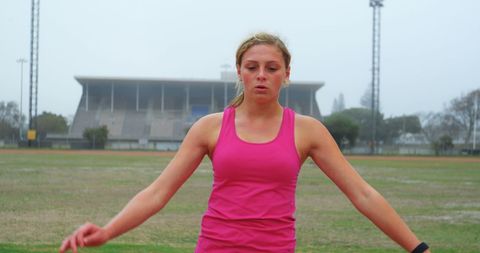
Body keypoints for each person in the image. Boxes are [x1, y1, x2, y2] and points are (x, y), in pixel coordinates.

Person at [59, 32, 430, 253]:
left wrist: (418, 247)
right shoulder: (210, 127)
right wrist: (107, 231)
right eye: (252, 67)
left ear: (287, 74)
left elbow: (361, 194)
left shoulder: (307, 130)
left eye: (272, 68)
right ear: (239, 71)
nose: (261, 76)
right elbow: (158, 192)